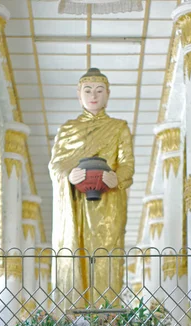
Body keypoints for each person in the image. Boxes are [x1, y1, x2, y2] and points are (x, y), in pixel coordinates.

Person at [49, 67, 135, 306]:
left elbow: (127, 164)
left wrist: (117, 178)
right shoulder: (67, 130)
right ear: (79, 95)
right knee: (75, 255)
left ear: (108, 94)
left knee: (105, 259)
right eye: (88, 91)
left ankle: (106, 323)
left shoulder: (119, 128)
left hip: (107, 206)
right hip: (75, 205)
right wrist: (68, 174)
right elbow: (55, 165)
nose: (93, 96)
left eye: (99, 90)